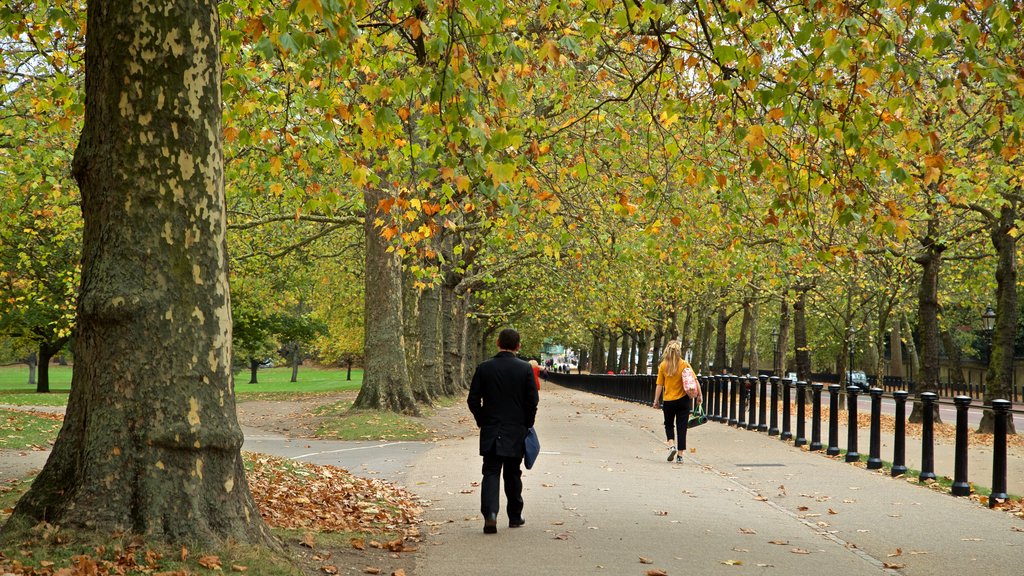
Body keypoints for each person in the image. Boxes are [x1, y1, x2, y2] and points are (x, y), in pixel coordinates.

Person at [467, 328, 540, 534]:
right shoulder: (525, 369)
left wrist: (482, 419)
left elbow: (473, 399)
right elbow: (532, 401)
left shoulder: (484, 368)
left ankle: (490, 514)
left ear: (497, 342)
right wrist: (527, 423)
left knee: (490, 471)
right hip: (515, 428)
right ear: (518, 346)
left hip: (492, 427)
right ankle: (515, 516)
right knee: (512, 472)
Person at [652, 340, 700, 463]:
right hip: (683, 400)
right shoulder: (684, 364)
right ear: (679, 351)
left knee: (668, 425)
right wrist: (700, 396)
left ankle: (672, 445)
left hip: (668, 401)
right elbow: (695, 380)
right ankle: (680, 455)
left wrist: (656, 400)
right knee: (682, 427)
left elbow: (659, 385)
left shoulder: (663, 365)